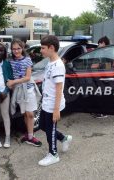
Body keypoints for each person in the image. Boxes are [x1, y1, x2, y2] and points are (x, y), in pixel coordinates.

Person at [37, 35, 72, 166]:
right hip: (46, 102)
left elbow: (59, 88)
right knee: (42, 126)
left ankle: (53, 154)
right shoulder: (50, 62)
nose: (41, 50)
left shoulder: (57, 65)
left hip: (53, 105)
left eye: (42, 48)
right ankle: (64, 138)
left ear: (51, 48)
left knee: (50, 129)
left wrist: (56, 110)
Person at [7, 39, 42, 147]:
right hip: (18, 91)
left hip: (28, 89)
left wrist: (14, 81)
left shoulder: (27, 60)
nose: (16, 51)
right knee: (25, 114)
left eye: (18, 48)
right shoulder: (9, 61)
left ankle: (31, 136)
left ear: (22, 48)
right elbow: (9, 75)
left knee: (30, 114)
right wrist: (12, 85)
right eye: (14, 49)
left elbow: (27, 78)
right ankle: (29, 135)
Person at [91, 36, 110, 119]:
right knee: (100, 94)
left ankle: (102, 112)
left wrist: (97, 65)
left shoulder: (104, 52)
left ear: (103, 43)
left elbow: (109, 65)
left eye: (99, 43)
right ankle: (99, 110)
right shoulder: (105, 51)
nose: (98, 44)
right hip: (101, 75)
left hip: (101, 76)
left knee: (101, 94)